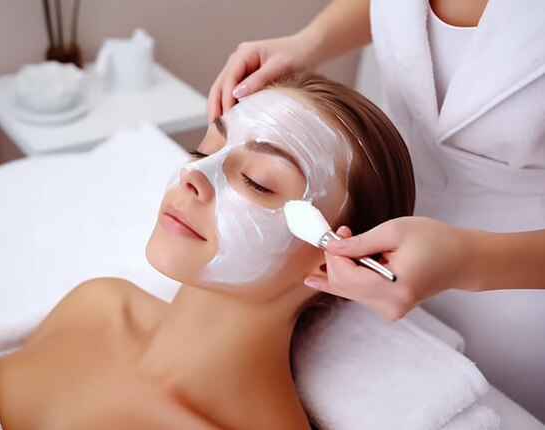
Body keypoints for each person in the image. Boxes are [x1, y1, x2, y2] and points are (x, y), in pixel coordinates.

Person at [0, 73, 415, 429]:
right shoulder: (97, 304)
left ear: (332, 258)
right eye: (205, 148)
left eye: (258, 181)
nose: (192, 173)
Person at [208, 0, 545, 416]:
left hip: (520, 302)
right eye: (197, 152)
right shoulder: (106, 303)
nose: (192, 177)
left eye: (259, 183)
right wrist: (309, 42)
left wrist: (468, 260)